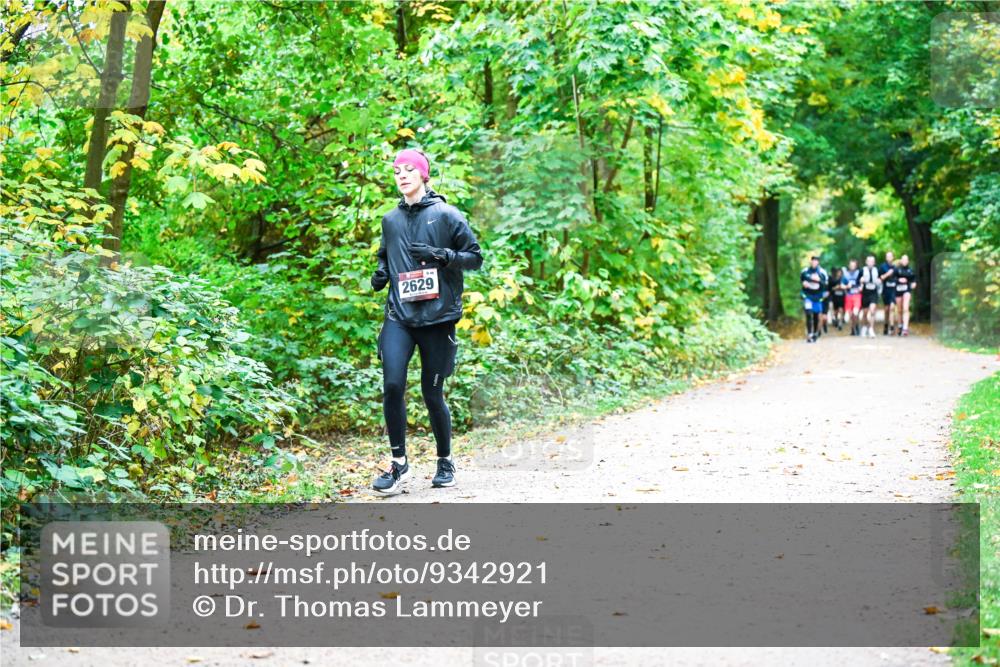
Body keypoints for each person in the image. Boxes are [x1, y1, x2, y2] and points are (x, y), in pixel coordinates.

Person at [369, 148, 484, 494]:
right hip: (400, 316)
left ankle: (445, 460)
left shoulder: (446, 215)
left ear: (423, 175)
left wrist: (442, 255)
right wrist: (381, 273)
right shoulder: (390, 220)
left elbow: (474, 258)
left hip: (438, 318)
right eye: (396, 171)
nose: (401, 175)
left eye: (408, 170)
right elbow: (386, 255)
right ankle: (398, 463)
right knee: (392, 385)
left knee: (432, 392)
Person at [799, 256, 828, 343]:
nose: (814, 263)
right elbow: (802, 280)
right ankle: (809, 333)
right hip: (808, 295)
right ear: (810, 262)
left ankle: (815, 332)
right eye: (813, 261)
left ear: (818, 262)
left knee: (816, 315)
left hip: (818, 296)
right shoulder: (805, 271)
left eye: (816, 261)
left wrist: (819, 281)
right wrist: (804, 283)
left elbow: (825, 284)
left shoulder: (822, 272)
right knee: (808, 313)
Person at [894, 254, 917, 337]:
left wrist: (914, 284)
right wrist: (898, 279)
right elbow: (893, 279)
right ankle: (900, 325)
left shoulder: (910, 270)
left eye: (906, 260)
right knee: (899, 310)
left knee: (906, 308)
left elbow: (914, 279)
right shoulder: (897, 270)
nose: (905, 261)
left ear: (908, 261)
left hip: (907, 290)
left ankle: (905, 328)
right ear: (901, 261)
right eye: (903, 259)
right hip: (898, 290)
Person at [859, 255, 881, 338]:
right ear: (866, 262)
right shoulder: (862, 270)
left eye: (872, 261)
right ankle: (865, 327)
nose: (870, 263)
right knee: (865, 313)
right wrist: (861, 281)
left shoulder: (877, 270)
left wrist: (879, 281)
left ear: (874, 263)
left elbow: (880, 280)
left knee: (872, 310)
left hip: (874, 293)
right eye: (869, 261)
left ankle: (871, 329)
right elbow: (858, 280)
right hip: (865, 293)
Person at [841, 259, 862, 336]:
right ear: (849, 266)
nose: (852, 266)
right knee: (850, 314)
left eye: (854, 265)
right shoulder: (846, 275)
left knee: (855, 312)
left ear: (856, 266)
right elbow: (841, 285)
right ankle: (853, 328)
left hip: (857, 295)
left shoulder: (859, 273)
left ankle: (856, 326)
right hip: (849, 295)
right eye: (851, 265)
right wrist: (847, 286)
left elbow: (863, 282)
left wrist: (861, 287)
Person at [878, 251, 897, 335]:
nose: (889, 258)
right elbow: (880, 278)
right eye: (887, 256)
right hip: (885, 290)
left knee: (892, 308)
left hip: (894, 290)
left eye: (890, 256)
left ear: (893, 257)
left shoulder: (896, 267)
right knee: (887, 309)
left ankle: (892, 327)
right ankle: (886, 325)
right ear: (886, 258)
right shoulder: (882, 267)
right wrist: (887, 274)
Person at [828, 266, 845, 331]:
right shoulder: (832, 279)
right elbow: (830, 288)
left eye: (840, 272)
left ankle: (840, 322)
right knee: (835, 311)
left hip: (842, 296)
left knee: (841, 309)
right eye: (838, 272)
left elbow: (848, 286)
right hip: (834, 297)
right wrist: (836, 288)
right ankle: (835, 319)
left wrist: (844, 287)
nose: (839, 274)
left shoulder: (844, 279)